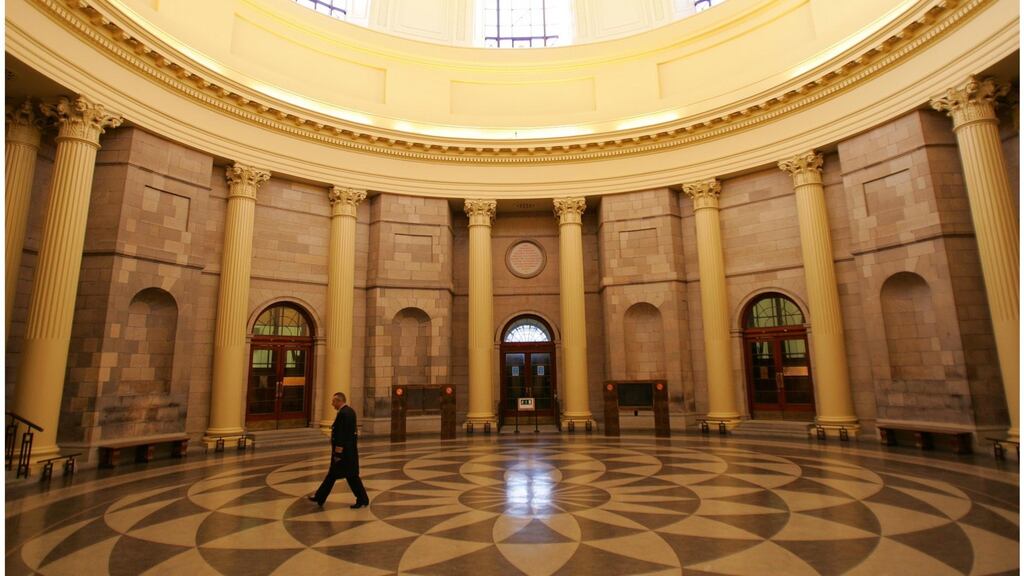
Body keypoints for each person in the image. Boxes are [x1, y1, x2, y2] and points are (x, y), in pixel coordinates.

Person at [308, 392, 369, 509]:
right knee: (339, 476)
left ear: (339, 401)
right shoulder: (350, 411)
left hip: (344, 454)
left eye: (333, 401)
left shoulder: (343, 414)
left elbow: (341, 435)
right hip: (349, 452)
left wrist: (337, 453)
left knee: (349, 477)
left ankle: (362, 499)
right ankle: (320, 497)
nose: (332, 404)